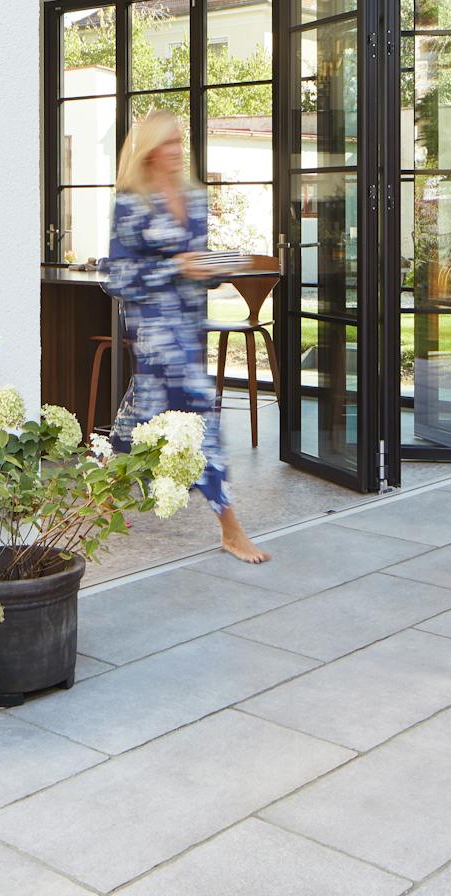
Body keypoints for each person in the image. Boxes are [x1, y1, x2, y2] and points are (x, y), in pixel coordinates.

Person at [106, 110, 269, 564]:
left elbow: (195, 266)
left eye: (181, 141)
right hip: (153, 328)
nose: (179, 150)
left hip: (187, 325)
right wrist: (175, 267)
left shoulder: (195, 199)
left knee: (147, 411)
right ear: (151, 151)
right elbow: (118, 277)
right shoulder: (130, 203)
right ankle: (231, 529)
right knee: (201, 417)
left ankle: (104, 488)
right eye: (169, 143)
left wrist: (209, 271)